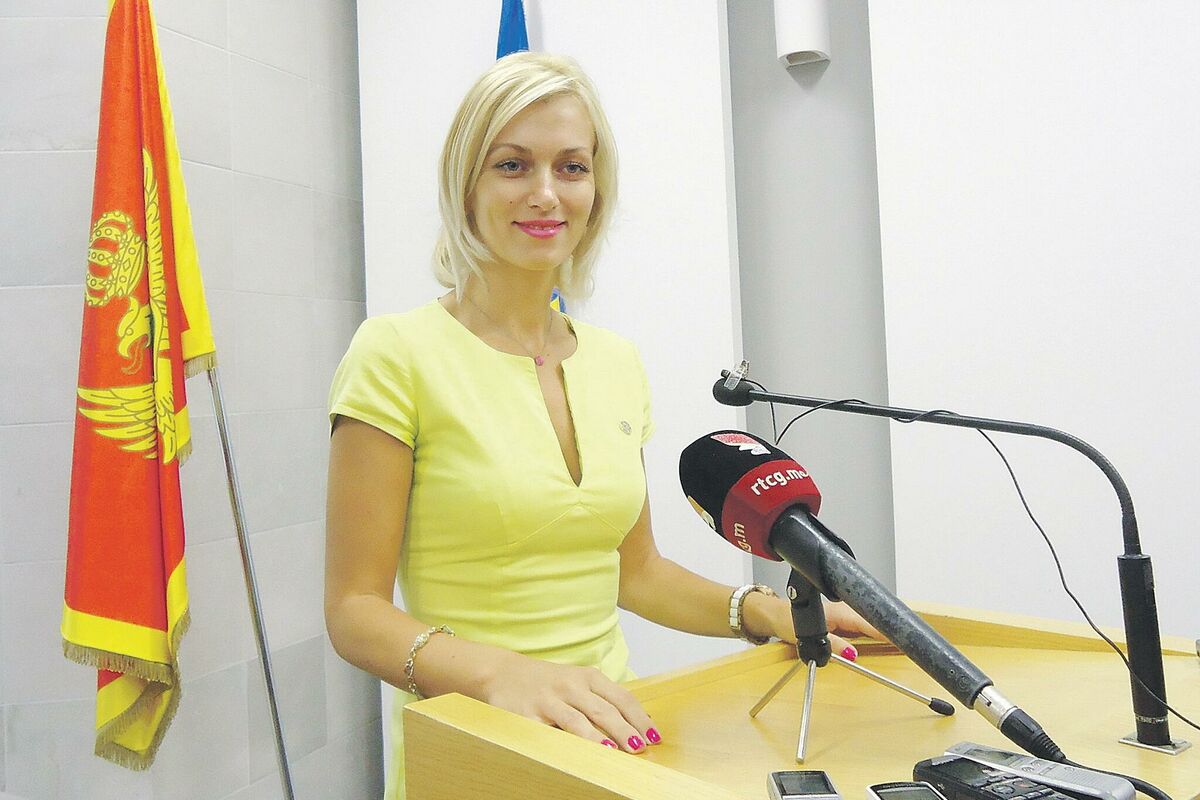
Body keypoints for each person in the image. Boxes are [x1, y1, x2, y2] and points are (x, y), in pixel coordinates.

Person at [324, 51, 879, 799]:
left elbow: (635, 572)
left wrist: (768, 613)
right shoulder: (394, 352)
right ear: (466, 184)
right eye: (513, 165)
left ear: (596, 187)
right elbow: (354, 612)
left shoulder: (617, 361)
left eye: (572, 167)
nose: (546, 194)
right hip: (471, 754)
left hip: (612, 744)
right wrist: (505, 675)